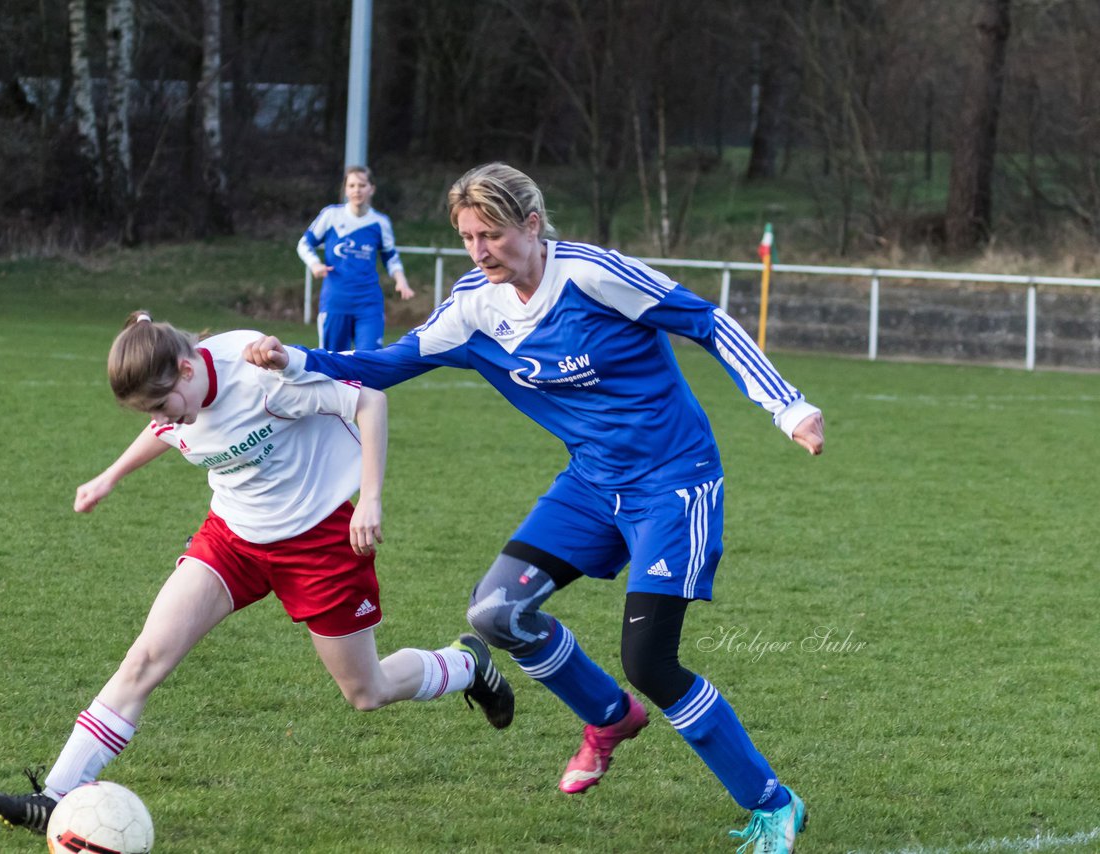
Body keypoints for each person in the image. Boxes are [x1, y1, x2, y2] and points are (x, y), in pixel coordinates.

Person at [245, 163, 824, 853]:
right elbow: (388, 364)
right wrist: (297, 358)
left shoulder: (591, 275)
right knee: (495, 612)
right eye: (467, 238)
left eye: (491, 234)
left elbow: (708, 323)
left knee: (652, 662)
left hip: (673, 482)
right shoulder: (472, 307)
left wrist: (788, 406)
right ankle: (607, 717)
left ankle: (773, 802)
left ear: (532, 225)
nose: (480, 251)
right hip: (590, 485)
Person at [0, 311, 513, 837]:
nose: (170, 420)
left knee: (366, 691)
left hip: (318, 539)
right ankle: (55, 798)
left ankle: (466, 665)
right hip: (232, 538)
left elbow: (369, 400)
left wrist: (370, 498)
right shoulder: (177, 395)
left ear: (187, 370)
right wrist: (110, 476)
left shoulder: (264, 378)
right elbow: (164, 428)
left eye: (167, 406)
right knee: (145, 657)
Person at [298, 165, 415, 352]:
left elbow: (390, 257)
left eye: (362, 185)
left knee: (369, 361)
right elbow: (304, 243)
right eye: (351, 185)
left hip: (368, 303)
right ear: (345, 189)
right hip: (335, 301)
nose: (356, 190)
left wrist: (401, 281)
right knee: (332, 363)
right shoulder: (331, 215)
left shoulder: (380, 222)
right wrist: (315, 264)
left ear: (372, 189)